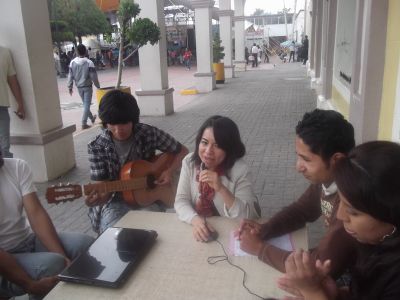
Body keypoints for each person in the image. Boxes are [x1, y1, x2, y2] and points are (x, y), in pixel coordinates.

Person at [238, 109, 358, 280]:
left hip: (353, 279)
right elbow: (301, 211)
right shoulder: (328, 179)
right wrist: (265, 229)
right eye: (298, 157)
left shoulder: (352, 200)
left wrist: (260, 249)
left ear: (336, 160)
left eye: (306, 160)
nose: (298, 167)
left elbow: (320, 268)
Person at [278, 141, 400, 300]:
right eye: (340, 201)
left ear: (391, 215)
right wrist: (335, 295)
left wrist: (312, 292)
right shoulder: (373, 242)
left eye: (353, 212)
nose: (340, 216)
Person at [86, 90, 188, 234]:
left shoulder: (147, 133)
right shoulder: (96, 146)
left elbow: (182, 151)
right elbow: (103, 187)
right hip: (116, 201)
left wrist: (169, 171)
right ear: (105, 122)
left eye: (124, 123)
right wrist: (98, 199)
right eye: (112, 124)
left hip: (149, 197)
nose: (118, 130)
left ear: (133, 120)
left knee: (154, 233)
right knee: (113, 236)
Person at [0, 150, 94, 299]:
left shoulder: (17, 167)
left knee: (85, 244)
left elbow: (36, 215)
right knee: (52, 265)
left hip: (27, 241)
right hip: (3, 262)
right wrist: (30, 285)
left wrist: (64, 258)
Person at [175, 116, 260, 242]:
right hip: (199, 233)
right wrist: (196, 220)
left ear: (229, 149)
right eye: (204, 142)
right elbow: (181, 201)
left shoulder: (240, 170)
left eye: (217, 146)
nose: (208, 151)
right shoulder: (189, 162)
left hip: (231, 234)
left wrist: (221, 188)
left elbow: (247, 217)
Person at [0, 46, 25, 158]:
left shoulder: (4, 52)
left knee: (4, 150)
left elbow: (12, 80)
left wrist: (20, 104)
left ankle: (5, 175)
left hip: (1, 109)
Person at [67, 44, 100, 130]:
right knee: (87, 105)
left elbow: (70, 76)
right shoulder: (89, 62)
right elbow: (94, 77)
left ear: (77, 52)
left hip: (79, 87)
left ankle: (92, 118)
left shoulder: (72, 62)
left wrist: (70, 87)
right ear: (85, 51)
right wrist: (98, 86)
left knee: (86, 104)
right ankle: (83, 123)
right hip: (88, 86)